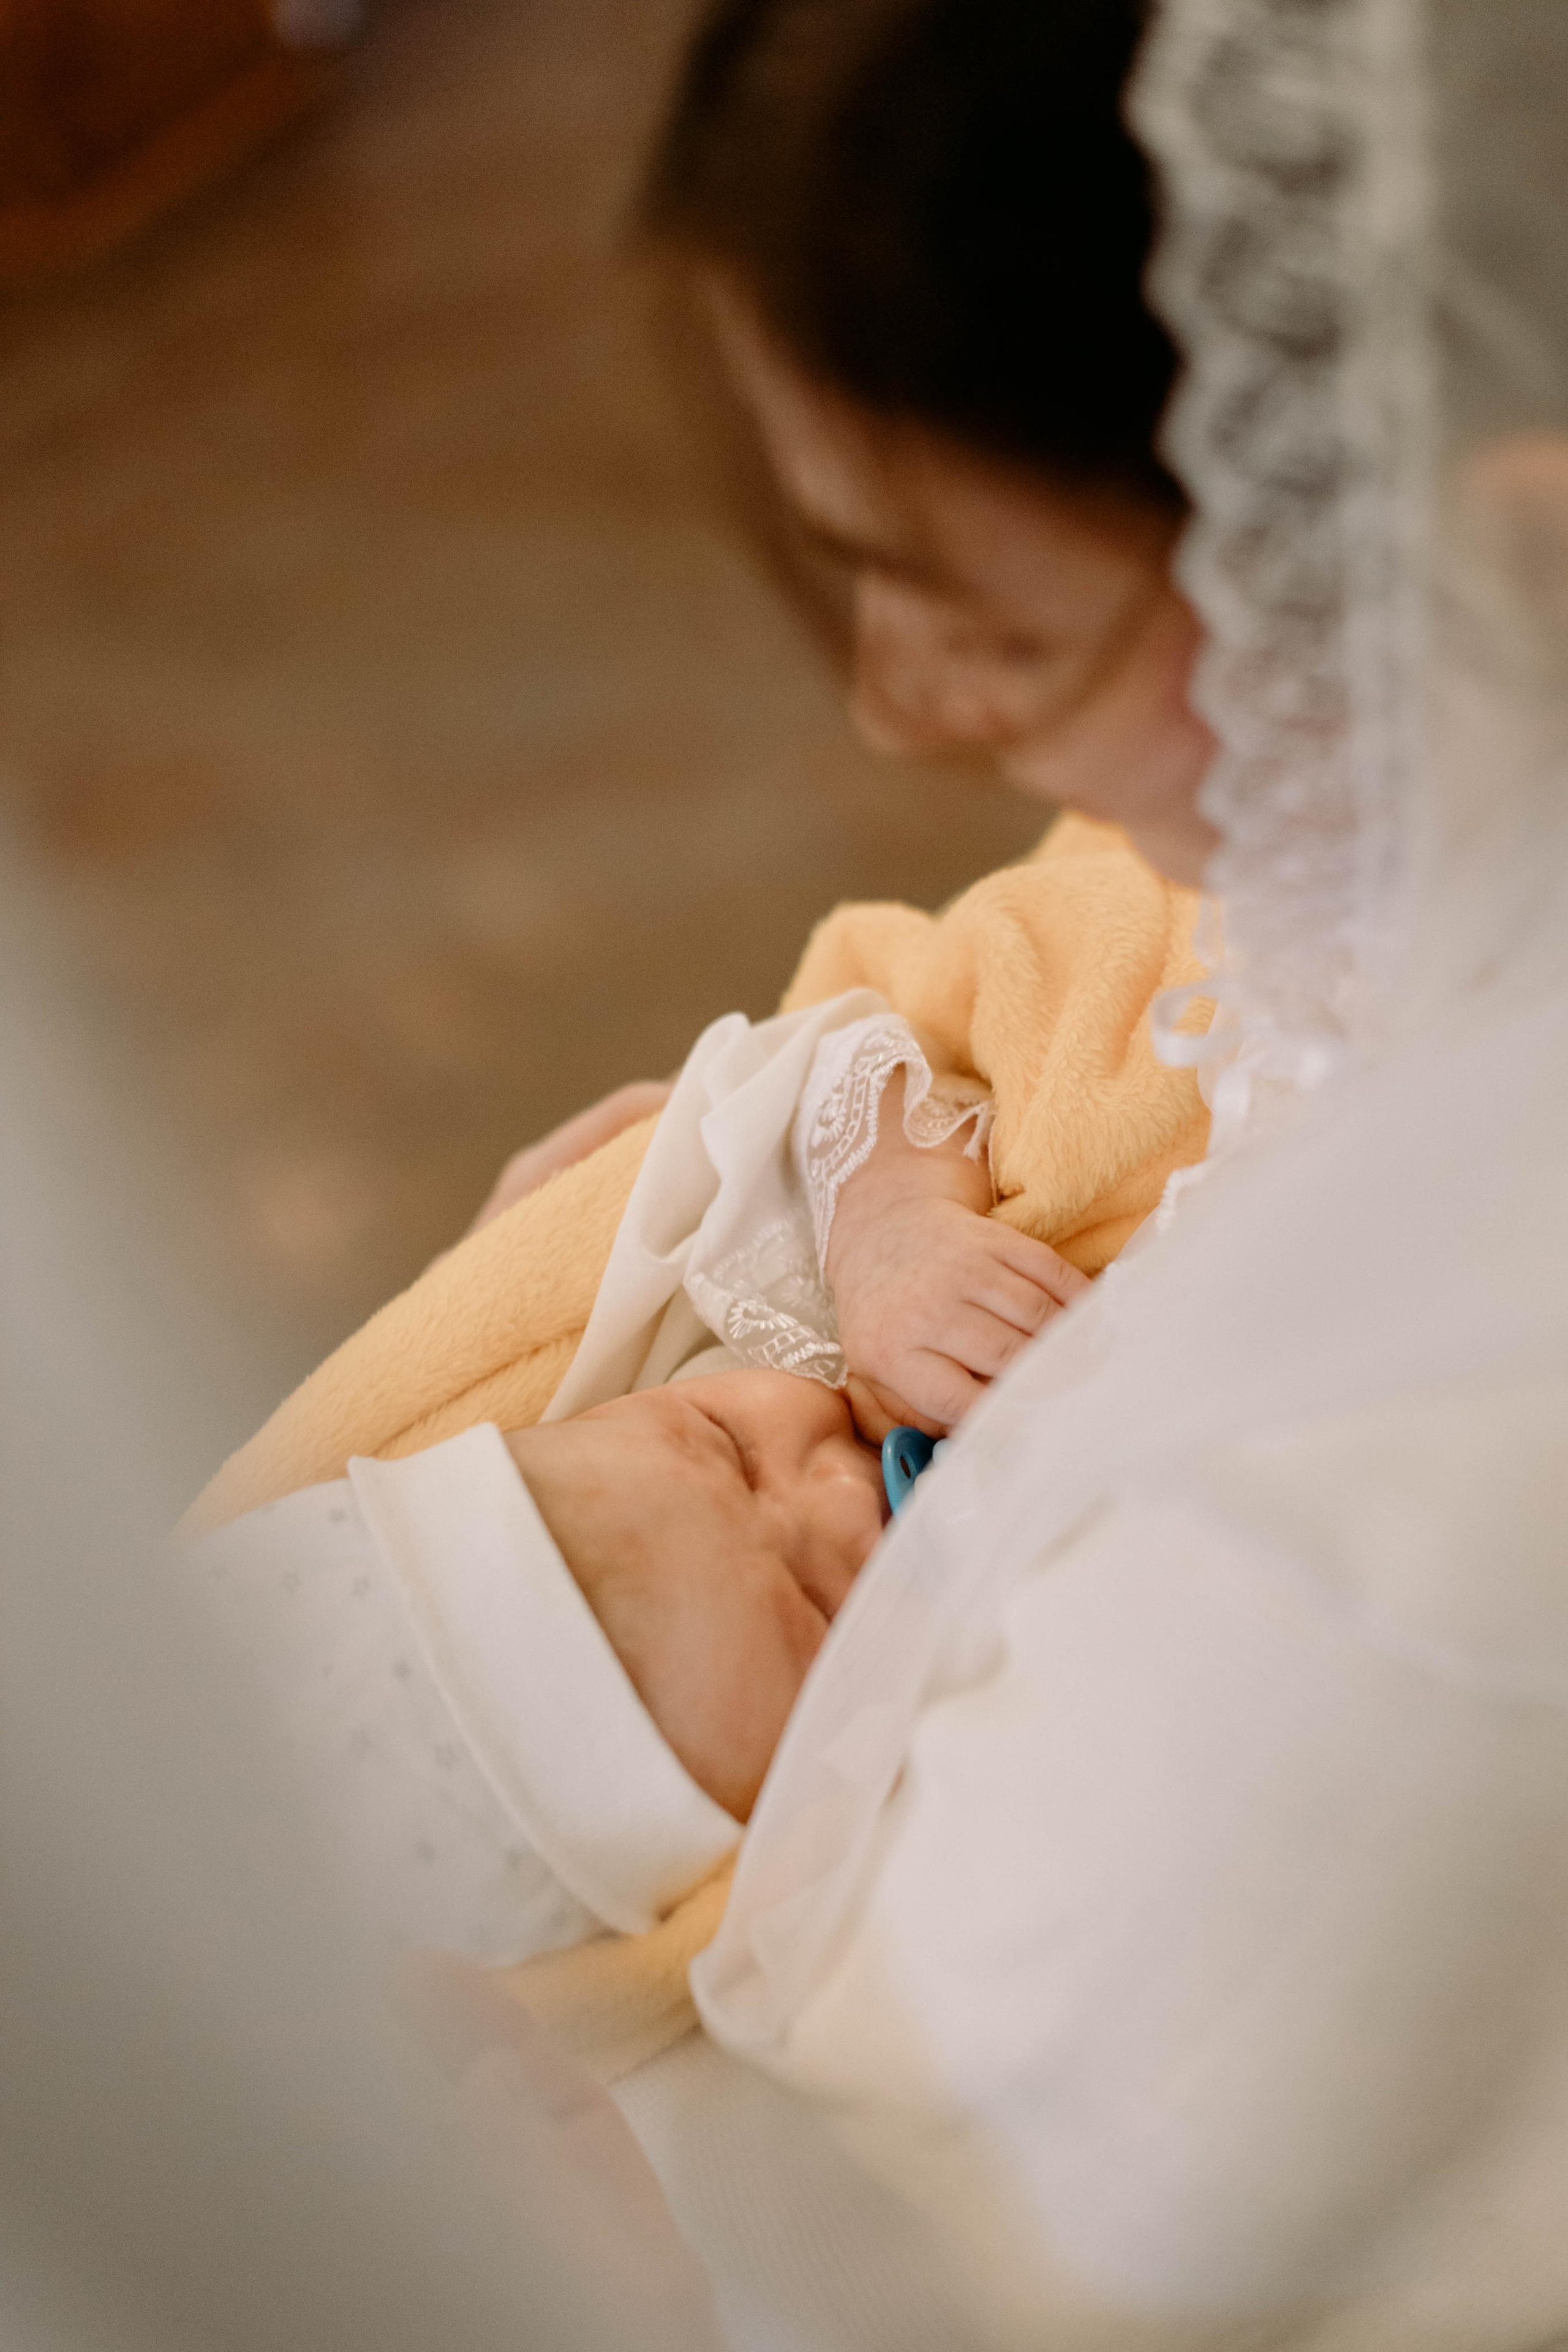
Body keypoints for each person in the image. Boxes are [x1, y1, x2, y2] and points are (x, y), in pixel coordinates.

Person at [201, 0, 1568, 2343]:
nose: (894, 711)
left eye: (1002, 624)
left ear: (1496, 535)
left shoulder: (1393, 1534)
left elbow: (825, 1080)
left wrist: (857, 1197)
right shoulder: (1352, 862)